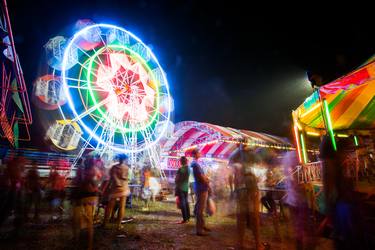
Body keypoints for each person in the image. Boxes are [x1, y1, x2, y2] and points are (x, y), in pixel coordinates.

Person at [229, 139, 262, 250]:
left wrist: (233, 190)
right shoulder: (252, 153)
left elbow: (231, 175)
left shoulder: (233, 155)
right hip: (251, 185)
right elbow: (260, 167)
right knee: (254, 216)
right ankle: (258, 244)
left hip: (240, 188)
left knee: (241, 217)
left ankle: (240, 244)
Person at [72, 156, 102, 250]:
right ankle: (89, 245)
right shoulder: (96, 171)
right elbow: (97, 183)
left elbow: (79, 182)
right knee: (88, 222)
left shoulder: (84, 171)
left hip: (83, 196)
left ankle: (77, 241)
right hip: (91, 197)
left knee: (78, 220)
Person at [103, 154, 130, 230]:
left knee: (109, 206)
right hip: (124, 188)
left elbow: (111, 178)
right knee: (122, 207)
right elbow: (127, 178)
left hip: (115, 188)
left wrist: (107, 188)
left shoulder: (114, 168)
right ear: (125, 159)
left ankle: (105, 223)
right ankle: (118, 225)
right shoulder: (126, 168)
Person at [190, 149, 211, 236]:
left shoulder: (195, 163)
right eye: (199, 152)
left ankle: (202, 225)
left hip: (200, 187)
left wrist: (206, 178)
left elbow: (202, 175)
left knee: (201, 207)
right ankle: (199, 230)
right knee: (200, 209)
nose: (201, 153)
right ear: (195, 154)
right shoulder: (195, 164)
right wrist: (207, 182)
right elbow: (200, 177)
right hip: (201, 187)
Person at [175, 156, 190, 223]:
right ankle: (188, 217)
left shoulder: (181, 169)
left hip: (180, 187)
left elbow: (177, 179)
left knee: (183, 203)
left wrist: (176, 181)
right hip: (186, 187)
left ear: (181, 162)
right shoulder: (189, 169)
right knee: (186, 202)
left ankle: (184, 219)